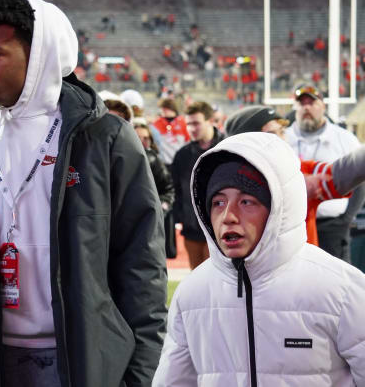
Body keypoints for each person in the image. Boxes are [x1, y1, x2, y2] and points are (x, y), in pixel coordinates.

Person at [0, 0, 167, 387]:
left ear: (37, 59)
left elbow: (141, 271)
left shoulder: (104, 139)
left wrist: (137, 377)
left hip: (83, 362)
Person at [152, 132, 365, 386]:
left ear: (278, 208)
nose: (228, 216)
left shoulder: (343, 290)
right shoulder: (191, 294)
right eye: (218, 202)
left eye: (246, 201)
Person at [225, 105, 363, 247]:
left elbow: (341, 173)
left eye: (282, 132)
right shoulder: (224, 186)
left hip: (302, 267)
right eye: (272, 134)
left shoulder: (299, 170)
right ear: (248, 143)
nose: (282, 140)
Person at [284, 85, 362, 261]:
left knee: (336, 281)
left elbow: (359, 182)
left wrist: (346, 218)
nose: (306, 107)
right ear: (294, 108)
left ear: (323, 106)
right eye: (301, 103)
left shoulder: (345, 139)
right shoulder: (283, 139)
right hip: (293, 227)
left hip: (332, 226)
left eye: (311, 102)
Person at [171, 101, 225, 269]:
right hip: (192, 229)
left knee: (222, 281)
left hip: (220, 229)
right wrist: (181, 217)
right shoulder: (182, 155)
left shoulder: (227, 148)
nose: (191, 128)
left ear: (210, 121)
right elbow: (176, 190)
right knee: (197, 280)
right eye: (188, 124)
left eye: (196, 123)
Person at [133, 117, 176, 258]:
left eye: (146, 138)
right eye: (138, 137)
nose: (143, 141)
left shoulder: (153, 160)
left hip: (148, 224)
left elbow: (168, 189)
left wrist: (160, 209)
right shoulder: (117, 158)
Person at [151, 98, 189, 165]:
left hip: (180, 161)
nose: (163, 111)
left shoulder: (183, 122)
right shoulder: (156, 123)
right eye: (162, 109)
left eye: (165, 108)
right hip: (164, 163)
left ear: (171, 108)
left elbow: (187, 141)